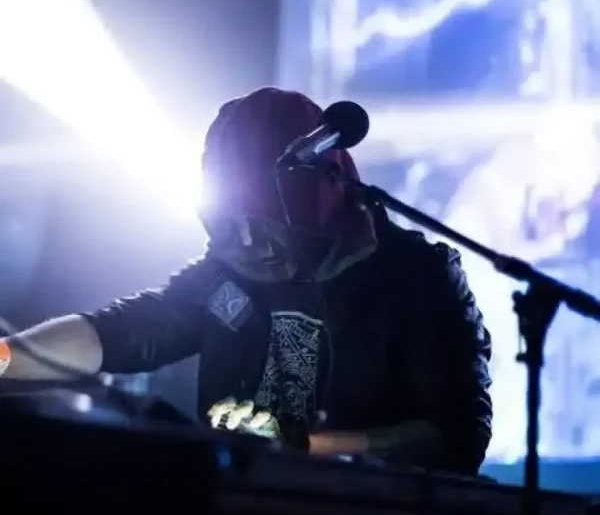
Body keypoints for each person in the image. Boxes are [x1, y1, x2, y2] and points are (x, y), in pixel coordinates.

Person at [0, 87, 492, 474]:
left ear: (314, 198)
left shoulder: (416, 274)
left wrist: (306, 446)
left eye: (262, 223)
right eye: (231, 224)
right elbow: (117, 334)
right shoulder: (228, 271)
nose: (248, 242)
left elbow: (456, 436)